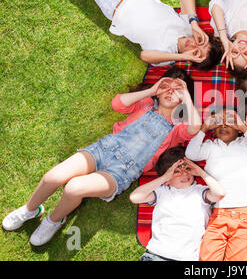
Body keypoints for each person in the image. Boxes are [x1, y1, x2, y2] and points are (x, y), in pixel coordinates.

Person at [2, 68, 202, 246]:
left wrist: (186, 96)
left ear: (183, 98)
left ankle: (54, 220)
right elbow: (117, 103)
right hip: (103, 150)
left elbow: (195, 127)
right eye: (167, 86)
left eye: (177, 91)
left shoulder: (177, 128)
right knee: (53, 177)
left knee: (73, 188)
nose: (170, 92)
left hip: (122, 171)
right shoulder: (145, 103)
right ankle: (30, 210)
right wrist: (153, 89)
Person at [73, 0, 223, 70]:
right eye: (201, 43)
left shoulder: (167, 56)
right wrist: (194, 23)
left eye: (195, 52)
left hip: (114, 5)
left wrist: (183, 57)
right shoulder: (187, 28)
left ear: (190, 58)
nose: (194, 45)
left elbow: (145, 56)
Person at [185, 107, 247, 261]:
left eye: (230, 122)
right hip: (218, 216)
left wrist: (245, 128)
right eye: (219, 122)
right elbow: (191, 154)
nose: (224, 125)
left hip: (245, 217)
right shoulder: (211, 146)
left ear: (238, 128)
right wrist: (204, 128)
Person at [129, 147, 225, 261]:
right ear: (167, 178)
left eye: (187, 168)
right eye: (177, 171)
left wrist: (200, 171)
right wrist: (164, 178)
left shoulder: (200, 192)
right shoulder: (162, 191)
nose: (184, 173)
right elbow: (134, 197)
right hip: (156, 255)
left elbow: (219, 193)